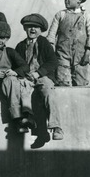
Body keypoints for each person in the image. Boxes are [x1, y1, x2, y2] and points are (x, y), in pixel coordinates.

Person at [15, 14, 63, 147]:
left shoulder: (44, 42)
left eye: (36, 27)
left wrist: (38, 73)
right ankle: (29, 120)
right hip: (27, 78)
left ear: (41, 30)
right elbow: (16, 64)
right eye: (29, 27)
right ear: (25, 28)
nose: (32, 30)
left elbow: (52, 62)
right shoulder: (20, 46)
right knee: (24, 91)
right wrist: (23, 74)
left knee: (47, 92)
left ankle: (56, 126)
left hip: (43, 76)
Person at [46, 0, 90, 86]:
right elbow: (51, 36)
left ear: (79, 0)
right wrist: (51, 53)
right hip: (62, 57)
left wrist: (87, 54)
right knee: (63, 83)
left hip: (81, 58)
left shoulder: (87, 16)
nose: (65, 0)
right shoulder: (60, 15)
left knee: (81, 84)